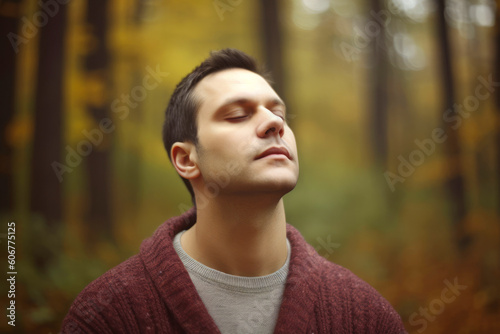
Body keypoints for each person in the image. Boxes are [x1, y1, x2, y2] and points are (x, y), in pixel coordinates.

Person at [61, 48, 407, 333]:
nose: (275, 124)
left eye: (277, 112)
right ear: (186, 159)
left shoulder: (364, 317)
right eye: (238, 115)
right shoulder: (109, 315)